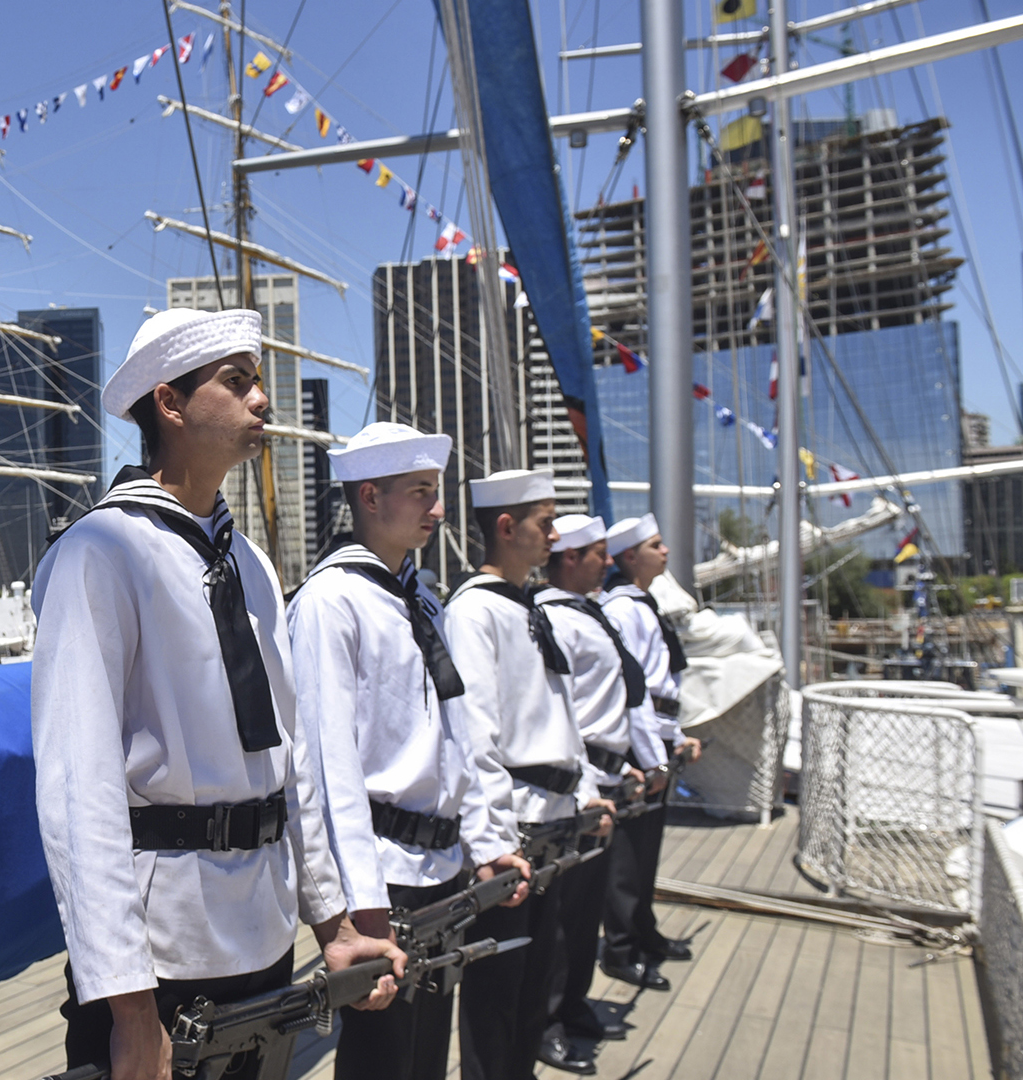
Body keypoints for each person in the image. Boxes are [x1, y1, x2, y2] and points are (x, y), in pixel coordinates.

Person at [31, 309, 404, 1080]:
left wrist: (331, 923)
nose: (261, 399)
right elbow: (78, 791)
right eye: (238, 382)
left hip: (264, 938)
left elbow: (289, 764)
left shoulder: (256, 570)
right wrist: (128, 1007)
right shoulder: (99, 554)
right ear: (170, 404)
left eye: (257, 380)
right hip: (161, 955)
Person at [287, 422, 487, 1080]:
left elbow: (459, 738)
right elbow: (326, 767)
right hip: (384, 873)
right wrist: (361, 909)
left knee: (428, 1052)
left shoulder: (422, 599)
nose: (438, 508)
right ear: (370, 498)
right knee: (381, 1061)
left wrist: (481, 844)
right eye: (422, 492)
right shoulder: (330, 602)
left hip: (441, 865)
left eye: (438, 491)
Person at [444, 470, 612, 1080]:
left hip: (557, 819)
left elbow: (563, 718)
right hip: (516, 826)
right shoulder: (473, 613)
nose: (556, 534)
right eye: (546, 522)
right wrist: (494, 839)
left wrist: (588, 793)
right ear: (507, 527)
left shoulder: (528, 607)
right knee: (497, 994)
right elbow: (474, 733)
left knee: (536, 986)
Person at [533, 514, 651, 1074]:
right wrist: (582, 788)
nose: (610, 562)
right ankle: (547, 1019)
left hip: (606, 777)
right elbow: (564, 714)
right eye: (599, 553)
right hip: (578, 788)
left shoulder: (590, 616)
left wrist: (626, 764)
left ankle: (574, 1001)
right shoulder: (555, 620)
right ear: (571, 559)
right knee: (561, 915)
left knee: (584, 915)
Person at [598, 514, 703, 990]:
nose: (665, 552)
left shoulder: (645, 605)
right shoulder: (623, 610)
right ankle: (620, 948)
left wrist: (675, 736)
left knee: (648, 850)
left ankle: (644, 933)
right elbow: (635, 690)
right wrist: (650, 755)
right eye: (655, 545)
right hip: (642, 742)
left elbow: (665, 688)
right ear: (628, 558)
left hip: (657, 735)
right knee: (628, 855)